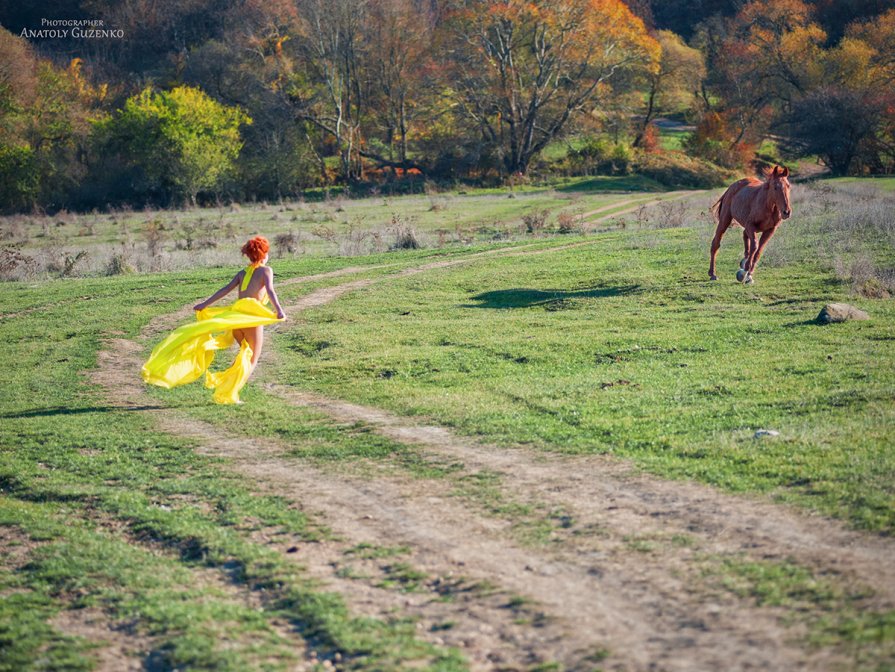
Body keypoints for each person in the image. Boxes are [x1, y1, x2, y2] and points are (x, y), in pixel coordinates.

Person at [141, 236, 286, 404]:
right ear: (264, 254)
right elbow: (271, 291)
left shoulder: (242, 273)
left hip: (236, 320)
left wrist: (205, 304)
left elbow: (224, 290)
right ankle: (229, 394)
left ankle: (226, 386)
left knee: (244, 355)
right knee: (252, 359)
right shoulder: (266, 270)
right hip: (251, 319)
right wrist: (279, 311)